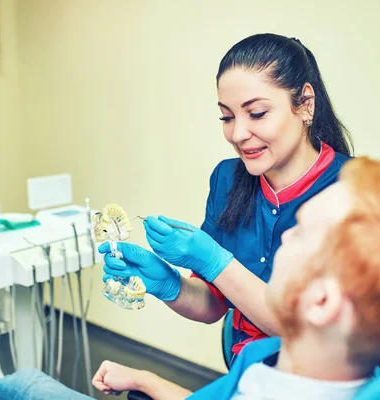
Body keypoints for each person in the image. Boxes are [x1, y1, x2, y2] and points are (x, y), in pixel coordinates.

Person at [0, 157, 380, 400]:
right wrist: (150, 365)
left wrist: (212, 260)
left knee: (23, 387)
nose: (287, 236)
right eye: (227, 115)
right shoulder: (275, 361)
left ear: (324, 300)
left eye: (302, 235)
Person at [102, 32, 354, 359]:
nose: (237, 134)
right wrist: (169, 284)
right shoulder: (227, 180)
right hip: (245, 372)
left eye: (257, 113)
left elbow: (312, 331)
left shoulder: (355, 190)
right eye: (227, 116)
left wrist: (215, 261)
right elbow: (213, 304)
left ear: (305, 104)